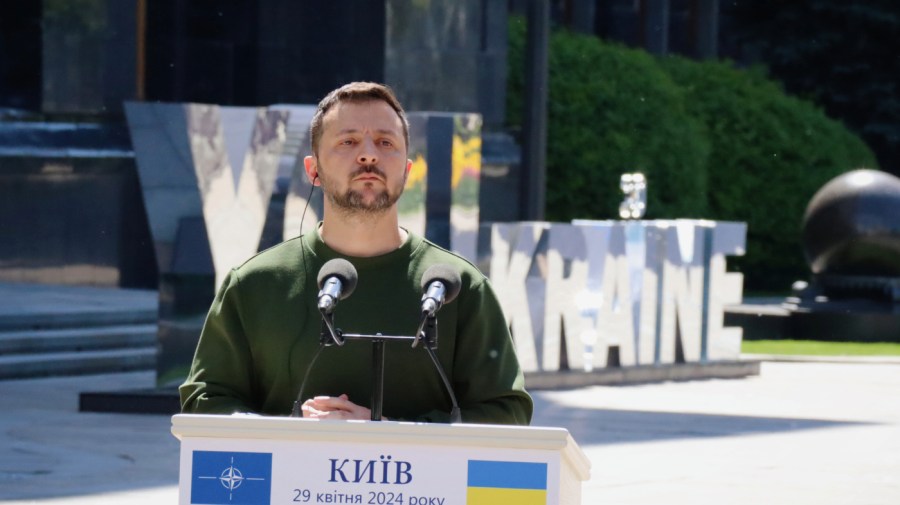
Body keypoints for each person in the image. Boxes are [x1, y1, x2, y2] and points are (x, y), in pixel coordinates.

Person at [179, 82, 533, 424]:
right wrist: (289, 432)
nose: (368, 154)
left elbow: (506, 413)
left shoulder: (459, 287)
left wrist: (389, 430)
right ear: (312, 169)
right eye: (348, 141)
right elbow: (205, 403)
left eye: (385, 142)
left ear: (407, 171)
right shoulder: (255, 284)